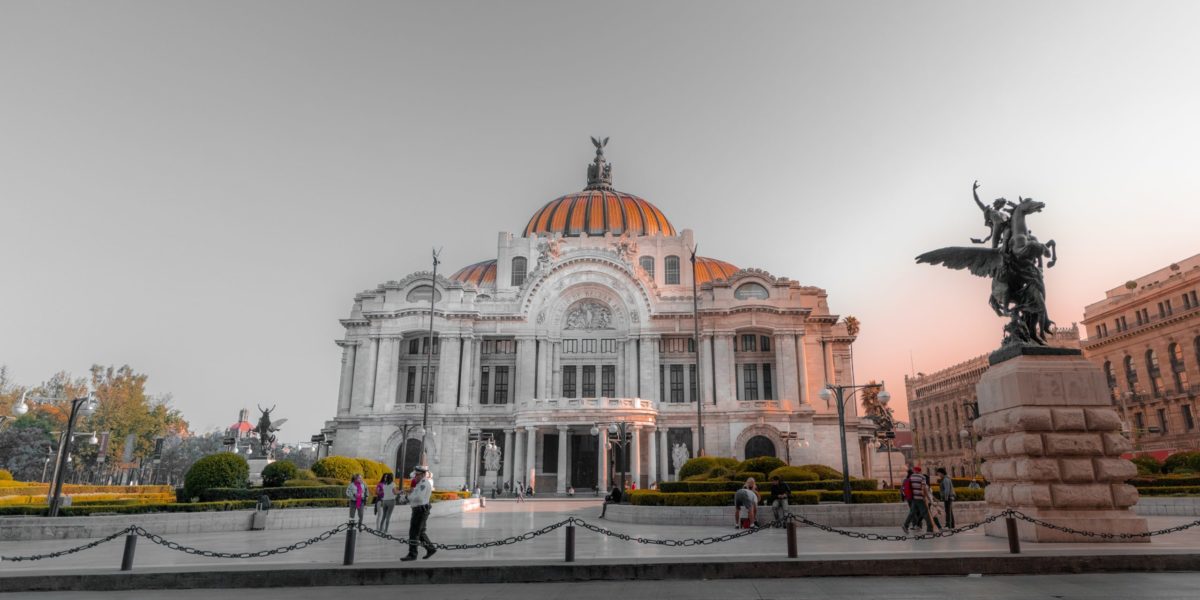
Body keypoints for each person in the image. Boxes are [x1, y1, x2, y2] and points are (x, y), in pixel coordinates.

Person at [400, 466, 437, 561]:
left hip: (420, 510)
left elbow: (419, 498)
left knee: (414, 533)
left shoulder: (423, 484)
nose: (415, 476)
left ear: (423, 475)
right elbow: (415, 495)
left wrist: (408, 498)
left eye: (417, 474)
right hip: (419, 509)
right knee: (420, 532)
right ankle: (430, 549)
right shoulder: (420, 483)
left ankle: (412, 554)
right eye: (415, 474)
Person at [902, 467, 932, 534]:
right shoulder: (922, 477)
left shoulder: (911, 477)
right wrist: (927, 497)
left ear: (914, 471)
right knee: (926, 513)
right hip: (920, 498)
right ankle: (930, 529)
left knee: (912, 512)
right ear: (920, 471)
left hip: (913, 497)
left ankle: (905, 525)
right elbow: (924, 488)